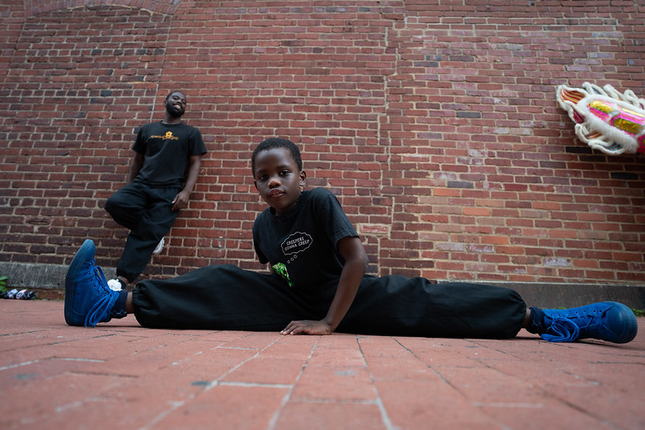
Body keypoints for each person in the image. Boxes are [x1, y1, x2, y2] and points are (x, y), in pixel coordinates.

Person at [65, 138, 638, 344]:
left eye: (282, 172)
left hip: (355, 295)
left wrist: (330, 324)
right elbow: (278, 276)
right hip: (296, 300)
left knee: (432, 300)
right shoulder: (263, 227)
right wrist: (266, 300)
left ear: (301, 176)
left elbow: (358, 260)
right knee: (220, 279)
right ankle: (110, 302)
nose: (273, 182)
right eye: (262, 176)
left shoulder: (319, 202)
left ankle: (550, 320)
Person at [103, 91, 207, 291]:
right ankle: (154, 233)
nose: (180, 102)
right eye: (176, 98)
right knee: (115, 203)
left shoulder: (191, 133)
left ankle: (122, 281)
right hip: (142, 185)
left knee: (143, 236)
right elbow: (137, 161)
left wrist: (186, 192)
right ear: (165, 101)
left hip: (169, 191)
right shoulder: (147, 129)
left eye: (184, 101)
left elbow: (195, 163)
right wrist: (131, 185)